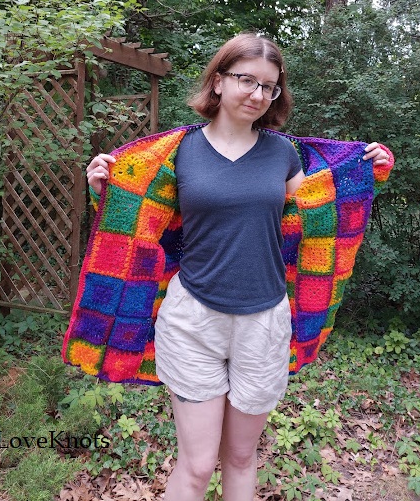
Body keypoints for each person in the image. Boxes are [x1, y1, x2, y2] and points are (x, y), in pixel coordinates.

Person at [81, 33, 391, 501]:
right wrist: (102, 186)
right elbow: (138, 221)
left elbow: (317, 212)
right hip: (192, 321)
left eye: (269, 87)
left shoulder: (282, 154)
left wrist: (366, 171)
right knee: (199, 464)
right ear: (219, 81)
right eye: (248, 81)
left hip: (264, 323)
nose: (258, 95)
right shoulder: (177, 151)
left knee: (243, 460)